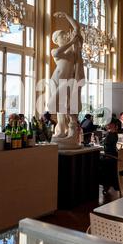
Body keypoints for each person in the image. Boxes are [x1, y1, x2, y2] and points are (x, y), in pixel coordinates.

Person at [48, 12, 84, 148]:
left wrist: (66, 15)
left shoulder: (73, 51)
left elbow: (77, 28)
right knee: (59, 108)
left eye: (65, 34)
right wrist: (72, 41)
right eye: (63, 35)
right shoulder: (56, 51)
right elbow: (58, 53)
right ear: (57, 39)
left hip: (68, 82)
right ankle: (61, 131)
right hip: (56, 80)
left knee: (67, 107)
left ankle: (72, 130)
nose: (66, 36)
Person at [98, 118, 120, 194]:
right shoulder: (114, 133)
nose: (107, 125)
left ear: (112, 125)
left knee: (98, 162)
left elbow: (107, 147)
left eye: (108, 124)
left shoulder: (111, 134)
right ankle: (105, 184)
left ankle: (105, 184)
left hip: (110, 157)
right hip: (113, 156)